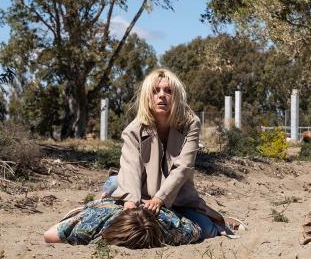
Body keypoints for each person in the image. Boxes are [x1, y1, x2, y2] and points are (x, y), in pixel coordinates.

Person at [108, 67, 229, 238]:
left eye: (168, 91)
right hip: (140, 190)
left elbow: (184, 166)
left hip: (177, 194)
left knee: (207, 230)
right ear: (147, 96)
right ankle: (110, 194)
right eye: (155, 91)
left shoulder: (191, 123)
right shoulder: (133, 130)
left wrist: (160, 199)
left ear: (176, 96)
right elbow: (130, 167)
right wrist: (130, 201)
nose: (161, 95)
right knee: (115, 183)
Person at [42, 198, 201, 247]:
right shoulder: (167, 228)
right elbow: (196, 230)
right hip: (112, 201)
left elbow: (49, 235)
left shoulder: (88, 227)